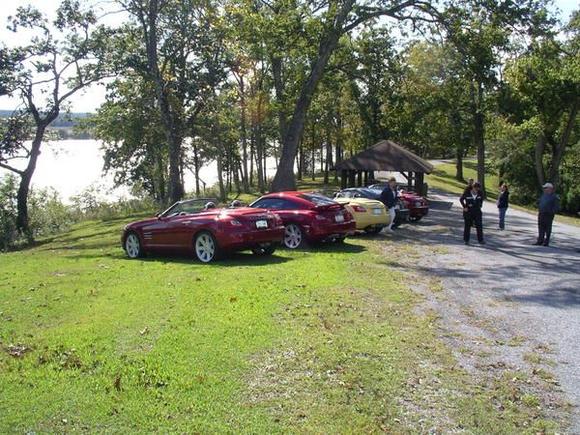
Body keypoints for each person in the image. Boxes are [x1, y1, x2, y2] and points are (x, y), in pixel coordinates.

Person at [534, 182, 559, 247]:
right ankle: (540, 240)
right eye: (544, 188)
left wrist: (551, 212)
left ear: (550, 188)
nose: (544, 189)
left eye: (545, 188)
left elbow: (556, 207)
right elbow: (539, 202)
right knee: (540, 227)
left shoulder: (554, 197)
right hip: (541, 213)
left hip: (548, 215)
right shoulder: (543, 195)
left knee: (548, 228)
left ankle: (546, 242)